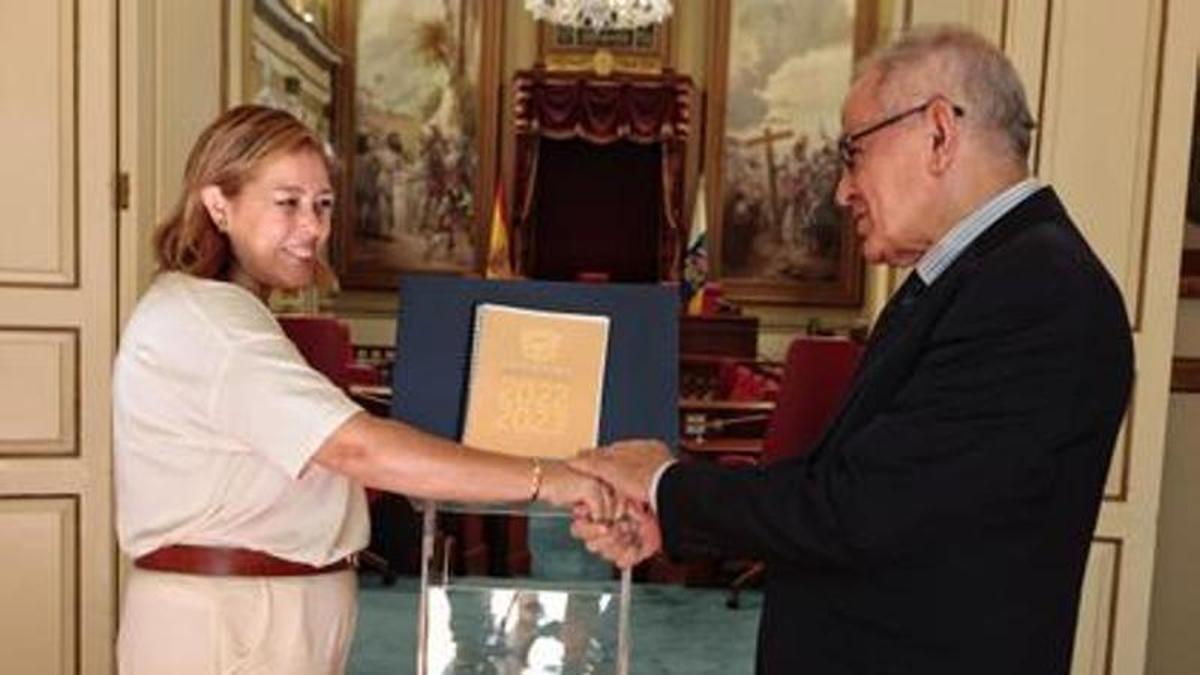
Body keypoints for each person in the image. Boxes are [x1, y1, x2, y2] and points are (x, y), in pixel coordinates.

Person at [569, 25, 1134, 675]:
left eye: (852, 152)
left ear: (940, 133)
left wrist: (665, 484)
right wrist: (676, 511)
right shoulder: (979, 275)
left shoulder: (1037, 290)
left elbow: (860, 509)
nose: (842, 190)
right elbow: (862, 481)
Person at [113, 105, 613, 674]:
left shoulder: (217, 311)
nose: (313, 227)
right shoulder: (212, 323)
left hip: (256, 611)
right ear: (218, 204)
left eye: (323, 205)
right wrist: (548, 477)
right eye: (288, 203)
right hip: (234, 623)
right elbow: (357, 449)